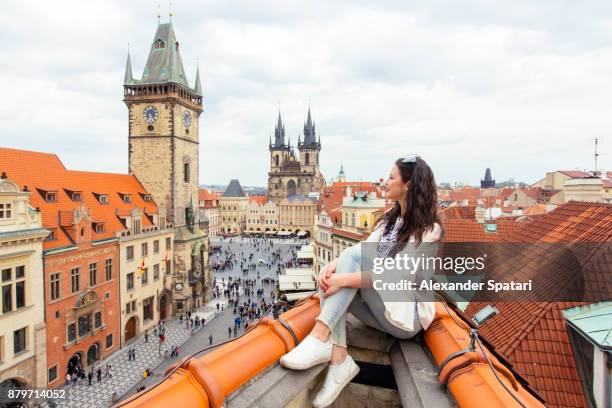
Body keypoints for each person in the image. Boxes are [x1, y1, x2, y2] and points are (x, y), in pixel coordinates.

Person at [280, 155, 442, 408]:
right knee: (346, 260)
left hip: (406, 316)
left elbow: (392, 275)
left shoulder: (429, 229)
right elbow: (362, 252)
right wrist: (333, 267)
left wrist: (341, 277)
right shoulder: (391, 219)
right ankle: (339, 358)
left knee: (351, 260)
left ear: (408, 184)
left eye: (391, 177)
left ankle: (321, 337)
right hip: (381, 308)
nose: (386, 181)